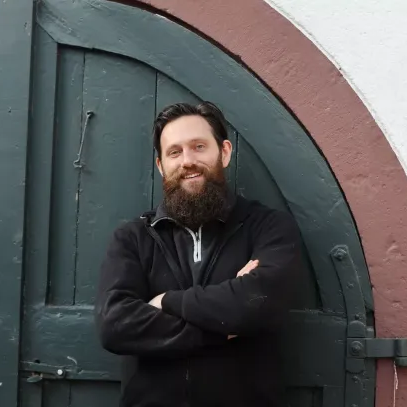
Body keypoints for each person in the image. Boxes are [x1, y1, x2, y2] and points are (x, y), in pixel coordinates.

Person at [95, 101, 303, 407]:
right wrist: (221, 329)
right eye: (174, 152)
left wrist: (166, 301)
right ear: (161, 166)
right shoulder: (133, 238)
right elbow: (115, 325)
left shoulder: (267, 227)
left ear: (224, 152)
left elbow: (259, 303)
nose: (187, 161)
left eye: (199, 147)